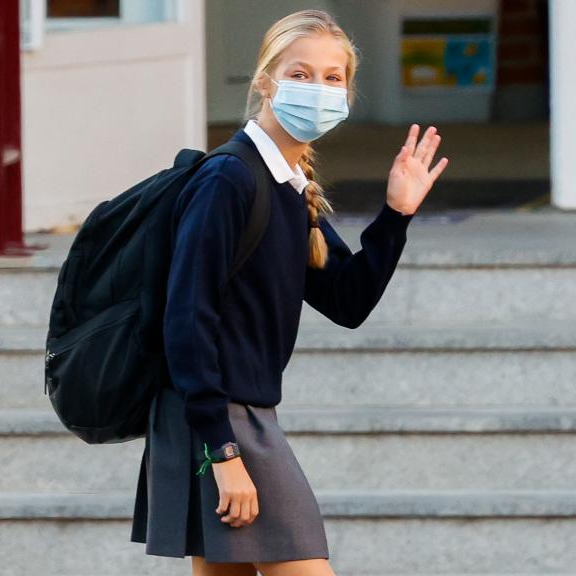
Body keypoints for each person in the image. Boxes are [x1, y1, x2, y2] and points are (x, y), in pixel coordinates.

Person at [130, 9, 448, 576]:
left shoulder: (289, 187)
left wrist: (396, 213)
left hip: (233, 414)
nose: (318, 89)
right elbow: (186, 316)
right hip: (216, 419)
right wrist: (222, 452)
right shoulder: (230, 179)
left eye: (333, 78)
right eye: (300, 74)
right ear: (265, 82)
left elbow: (348, 303)